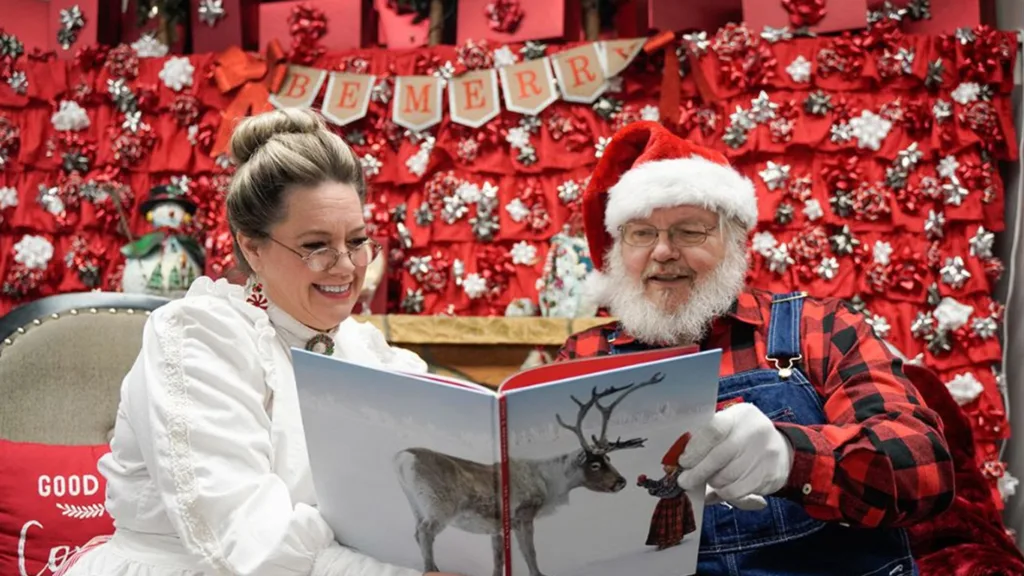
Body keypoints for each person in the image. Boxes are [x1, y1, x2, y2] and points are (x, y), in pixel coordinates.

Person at [59, 109, 458, 576]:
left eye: (357, 241)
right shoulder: (198, 340)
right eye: (315, 245)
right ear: (252, 247)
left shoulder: (372, 354)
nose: (347, 266)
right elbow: (247, 544)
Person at [556, 121, 955, 575]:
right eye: (641, 234)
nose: (663, 252)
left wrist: (793, 459)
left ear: (735, 241)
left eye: (690, 231)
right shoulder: (584, 356)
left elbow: (925, 470)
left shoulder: (818, 328)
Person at [637, 432, 697, 550]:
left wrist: (654, 492)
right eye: (664, 465)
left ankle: (673, 539)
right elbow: (660, 484)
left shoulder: (679, 477)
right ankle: (664, 539)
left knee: (673, 522)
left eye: (667, 465)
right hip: (667, 502)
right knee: (663, 522)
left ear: (675, 465)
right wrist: (647, 483)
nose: (664, 468)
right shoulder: (669, 476)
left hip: (675, 502)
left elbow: (671, 492)